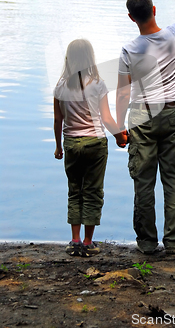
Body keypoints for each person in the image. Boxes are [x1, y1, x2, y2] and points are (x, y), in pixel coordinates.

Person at [116, 0, 175, 255]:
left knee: (143, 182)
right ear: (154, 10)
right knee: (173, 179)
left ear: (131, 17)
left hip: (142, 117)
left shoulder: (130, 50)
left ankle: (147, 243)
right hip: (173, 114)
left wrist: (119, 128)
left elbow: (122, 92)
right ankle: (174, 242)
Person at [53, 39, 127, 257]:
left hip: (71, 143)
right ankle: (87, 242)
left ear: (69, 59)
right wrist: (119, 136)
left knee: (75, 190)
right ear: (90, 59)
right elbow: (105, 118)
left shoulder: (60, 86)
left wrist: (59, 147)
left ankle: (74, 241)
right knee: (93, 191)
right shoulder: (98, 84)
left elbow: (58, 121)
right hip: (95, 143)